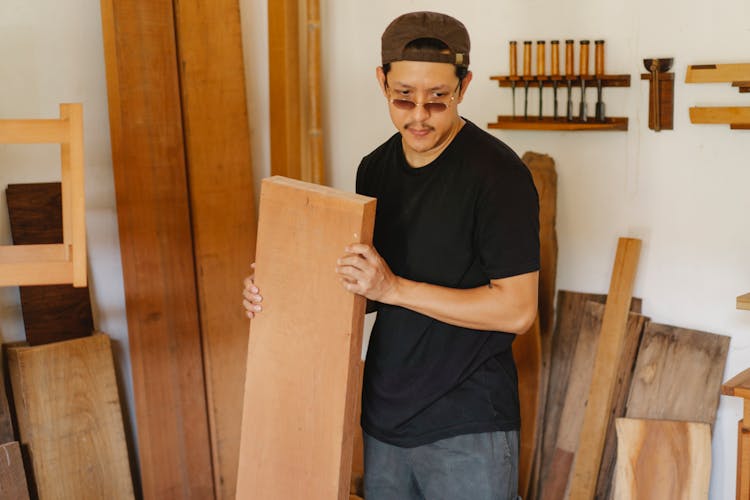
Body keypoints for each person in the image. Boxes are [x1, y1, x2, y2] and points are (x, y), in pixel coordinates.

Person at [243, 11, 539, 500]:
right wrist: (277, 289)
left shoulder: (499, 176)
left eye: (437, 99)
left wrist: (394, 288)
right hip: (383, 419)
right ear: (382, 82)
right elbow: (366, 289)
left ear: (464, 87)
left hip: (466, 427)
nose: (418, 115)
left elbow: (518, 309)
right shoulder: (375, 169)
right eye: (404, 97)